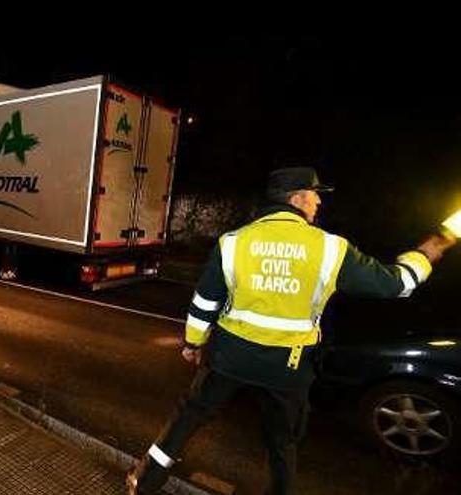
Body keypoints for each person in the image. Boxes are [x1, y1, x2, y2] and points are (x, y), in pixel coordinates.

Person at [127, 167, 457, 495]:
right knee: (282, 441)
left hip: (230, 358)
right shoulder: (329, 248)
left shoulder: (234, 242)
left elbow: (204, 302)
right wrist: (428, 252)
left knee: (190, 415)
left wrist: (193, 343)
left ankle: (144, 481)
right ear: (296, 198)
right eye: (315, 196)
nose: (318, 203)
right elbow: (395, 284)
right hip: (288, 367)